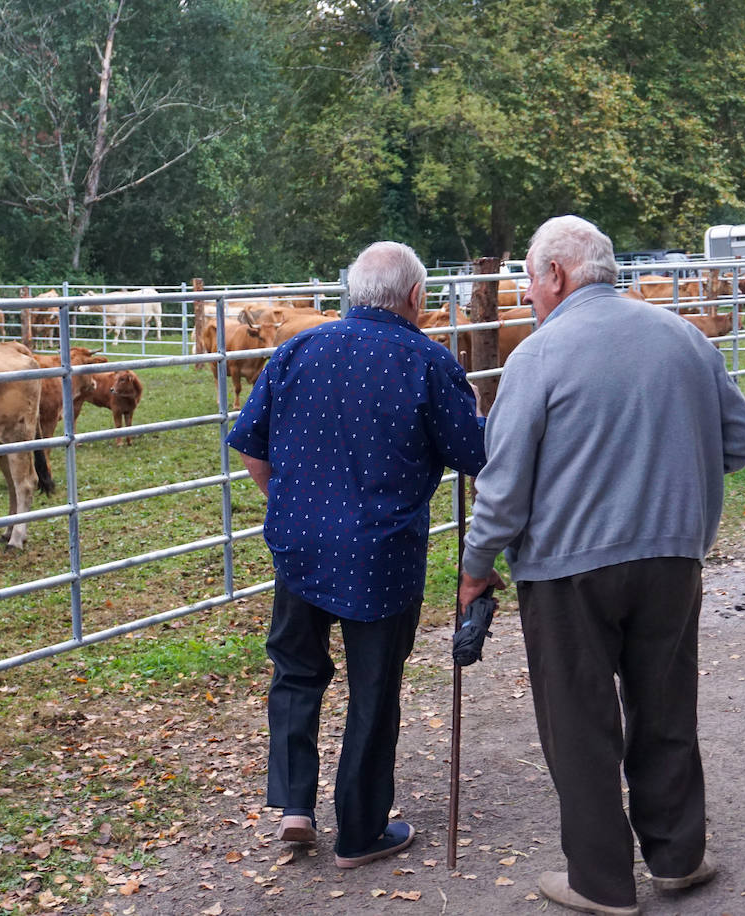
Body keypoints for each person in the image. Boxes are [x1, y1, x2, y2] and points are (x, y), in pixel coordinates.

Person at [459, 216, 745, 915]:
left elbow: (503, 486)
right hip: (673, 558)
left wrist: (476, 565)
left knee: (579, 720)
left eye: (529, 279)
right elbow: (742, 440)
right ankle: (677, 857)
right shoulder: (685, 338)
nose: (526, 295)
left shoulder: (539, 354)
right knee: (665, 706)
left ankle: (601, 883)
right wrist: (671, 468)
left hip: (568, 572)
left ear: (556, 274)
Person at [226, 240, 488, 868]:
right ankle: (359, 832)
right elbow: (476, 457)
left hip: (301, 543)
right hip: (382, 552)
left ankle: (295, 806)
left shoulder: (297, 349)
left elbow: (252, 446)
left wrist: (290, 504)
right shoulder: (428, 361)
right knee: (374, 686)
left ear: (352, 292)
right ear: (416, 297)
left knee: (296, 670)